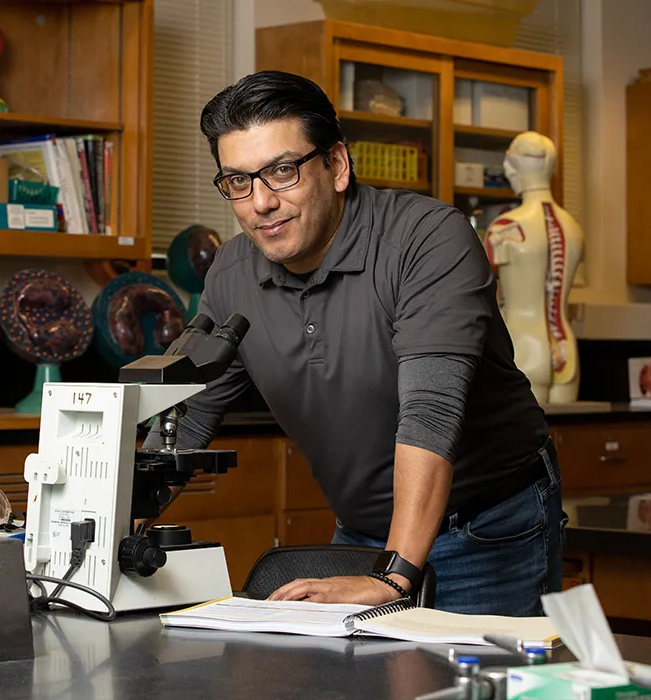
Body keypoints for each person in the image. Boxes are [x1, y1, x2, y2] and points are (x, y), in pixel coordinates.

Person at [143, 70, 565, 617]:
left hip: (486, 527)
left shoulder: (427, 239)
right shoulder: (233, 271)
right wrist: (105, 533)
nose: (260, 203)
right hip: (364, 533)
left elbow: (430, 414)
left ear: (337, 165)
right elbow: (187, 419)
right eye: (238, 181)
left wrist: (396, 577)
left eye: (282, 171)